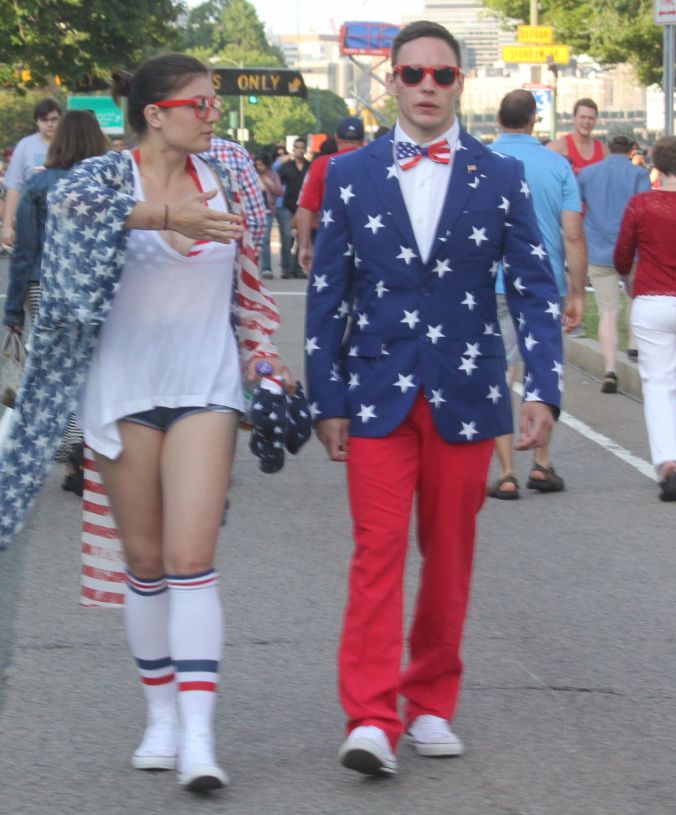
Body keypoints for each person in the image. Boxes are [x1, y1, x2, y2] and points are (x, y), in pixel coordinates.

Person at [0, 53, 292, 792]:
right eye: (200, 103)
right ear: (155, 114)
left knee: (191, 555)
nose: (213, 113)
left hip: (205, 385)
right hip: (123, 389)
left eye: (214, 101)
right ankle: (160, 717)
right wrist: (166, 216)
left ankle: (198, 735)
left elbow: (249, 282)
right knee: (146, 559)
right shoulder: (105, 175)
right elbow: (63, 208)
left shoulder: (228, 174)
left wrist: (262, 355)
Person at [305, 20, 563, 777]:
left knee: (449, 556)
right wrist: (326, 399)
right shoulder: (349, 174)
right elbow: (326, 295)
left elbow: (535, 288)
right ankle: (370, 716)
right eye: (412, 73)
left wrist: (544, 386)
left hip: (468, 390)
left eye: (441, 75)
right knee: (376, 552)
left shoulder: (501, 175)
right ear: (392, 80)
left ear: (459, 84)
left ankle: (430, 700)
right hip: (375, 393)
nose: (426, 86)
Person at [3, 110, 110, 495]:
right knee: (90, 371)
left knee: (55, 374)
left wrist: (13, 309)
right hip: (93, 288)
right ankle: (81, 458)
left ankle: (71, 451)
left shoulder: (39, 184)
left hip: (43, 286)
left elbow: (24, 251)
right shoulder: (107, 183)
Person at [487, 89, 587, 498]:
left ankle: (507, 471)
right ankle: (542, 463)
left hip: (491, 281)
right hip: (543, 281)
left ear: (498, 119)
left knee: (498, 372)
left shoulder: (481, 160)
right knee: (542, 368)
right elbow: (573, 233)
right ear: (534, 121)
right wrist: (576, 291)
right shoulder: (558, 164)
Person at [614, 135, 676, 501]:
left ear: (656, 164)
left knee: (658, 385)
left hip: (652, 301)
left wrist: (627, 277)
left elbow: (622, 254)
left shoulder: (641, 205)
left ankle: (668, 462)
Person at [577, 123, 651, 393]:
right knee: (634, 298)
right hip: (632, 251)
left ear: (607, 144)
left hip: (598, 248)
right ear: (632, 147)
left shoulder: (588, 174)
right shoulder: (639, 175)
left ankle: (610, 369)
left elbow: (576, 207)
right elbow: (644, 209)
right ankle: (633, 345)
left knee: (607, 310)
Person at [296, 116, 365, 273]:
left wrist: (304, 246)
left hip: (331, 242)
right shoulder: (375, 164)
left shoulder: (321, 164)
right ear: (363, 140)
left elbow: (305, 208)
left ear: (336, 138)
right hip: (369, 242)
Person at [1, 98, 62, 247]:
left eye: (54, 119)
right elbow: (14, 186)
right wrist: (7, 226)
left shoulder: (70, 143)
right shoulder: (25, 146)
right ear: (37, 122)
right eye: (44, 120)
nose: (49, 124)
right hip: (31, 218)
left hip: (62, 218)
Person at [208, 136, 266, 250]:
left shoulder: (173, 151)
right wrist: (250, 251)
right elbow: (256, 219)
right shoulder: (233, 152)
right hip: (228, 244)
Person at [546, 98, 608, 175]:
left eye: (591, 118)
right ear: (573, 118)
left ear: (595, 121)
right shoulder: (556, 147)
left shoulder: (604, 151)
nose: (586, 121)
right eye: (582, 117)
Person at [277, 137, 309, 278]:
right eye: (297, 147)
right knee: (287, 237)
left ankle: (298, 268)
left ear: (305, 149)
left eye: (302, 148)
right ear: (293, 149)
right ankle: (286, 268)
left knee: (302, 238)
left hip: (304, 207)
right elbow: (277, 183)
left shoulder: (310, 166)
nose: (300, 150)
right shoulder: (286, 167)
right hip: (287, 206)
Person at [253, 151, 282, 279]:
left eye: (261, 164)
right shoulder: (251, 174)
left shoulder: (273, 175)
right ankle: (253, 266)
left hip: (267, 211)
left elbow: (279, 192)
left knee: (265, 239)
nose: (259, 167)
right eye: (257, 164)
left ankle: (266, 268)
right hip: (253, 210)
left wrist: (270, 184)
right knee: (253, 240)